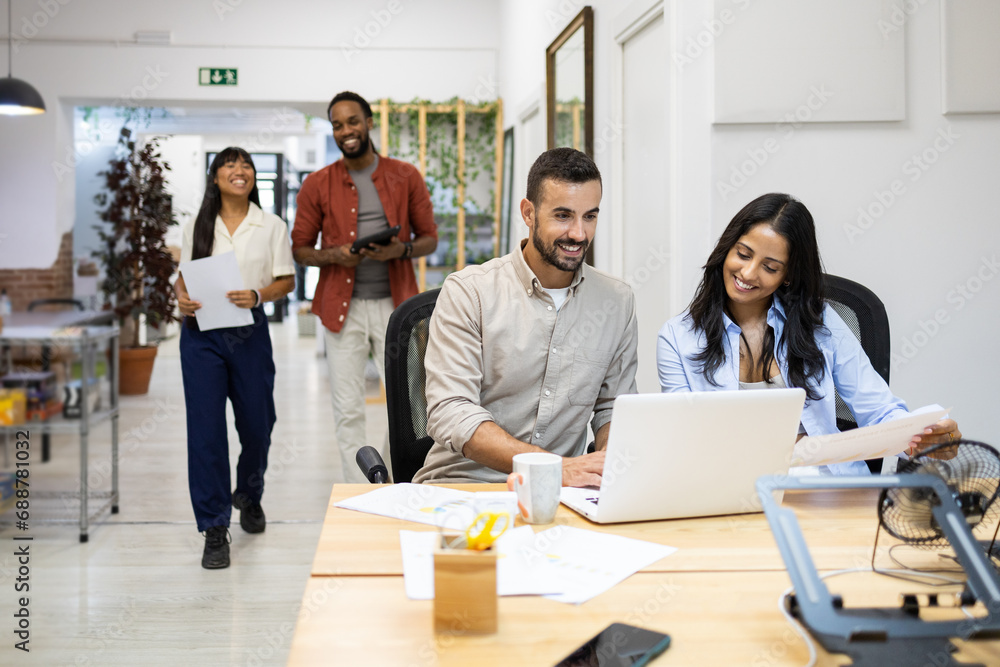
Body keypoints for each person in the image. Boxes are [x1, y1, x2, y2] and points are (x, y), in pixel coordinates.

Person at [656, 193, 960, 474]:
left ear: (788, 276)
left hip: (825, 487)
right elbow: (687, 440)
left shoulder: (821, 322)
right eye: (743, 254)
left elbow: (879, 410)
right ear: (727, 249)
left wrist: (922, 438)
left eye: (770, 267)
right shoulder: (677, 338)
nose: (748, 274)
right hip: (734, 489)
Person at [413, 147, 638, 486]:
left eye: (589, 216)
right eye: (563, 216)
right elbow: (450, 411)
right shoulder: (469, 292)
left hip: (565, 491)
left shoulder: (616, 301)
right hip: (465, 485)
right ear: (528, 213)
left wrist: (605, 467)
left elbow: (613, 408)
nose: (579, 233)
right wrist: (554, 467)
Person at [292, 91, 437, 483]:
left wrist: (399, 249)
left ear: (369, 122)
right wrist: (336, 255)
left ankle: (400, 483)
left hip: (397, 310)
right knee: (348, 408)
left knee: (409, 406)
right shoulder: (317, 184)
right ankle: (362, 491)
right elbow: (301, 250)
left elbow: (429, 238)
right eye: (337, 125)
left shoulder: (405, 176)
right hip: (344, 310)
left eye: (352, 121)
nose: (346, 131)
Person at [176, 148, 295, 569]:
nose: (238, 171)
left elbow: (287, 279)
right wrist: (182, 298)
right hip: (201, 335)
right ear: (215, 177)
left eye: (245, 165)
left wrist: (259, 294)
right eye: (229, 164)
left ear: (253, 177)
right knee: (206, 432)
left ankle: (249, 493)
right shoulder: (197, 223)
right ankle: (213, 527)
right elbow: (182, 277)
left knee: (258, 424)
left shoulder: (271, 224)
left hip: (248, 332)